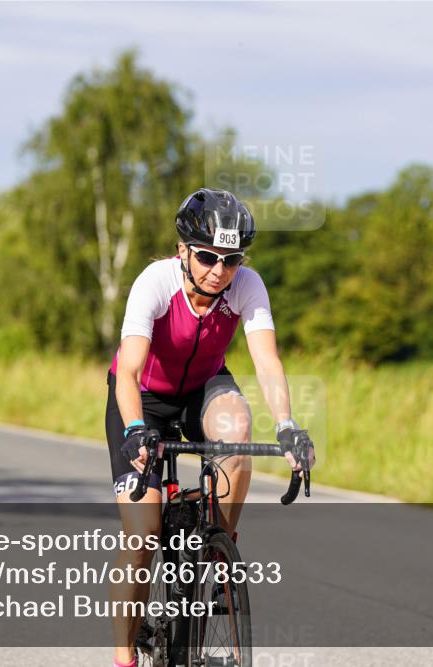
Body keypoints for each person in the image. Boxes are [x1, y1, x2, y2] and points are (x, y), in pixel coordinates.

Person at [105, 188, 316, 667]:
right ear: (183, 250)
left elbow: (267, 361)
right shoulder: (155, 282)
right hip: (143, 399)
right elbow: (130, 371)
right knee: (142, 536)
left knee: (237, 427)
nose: (219, 270)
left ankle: (218, 547)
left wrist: (287, 425)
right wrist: (135, 428)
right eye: (207, 257)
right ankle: (125, 658)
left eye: (232, 259)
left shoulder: (248, 285)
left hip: (203, 387)